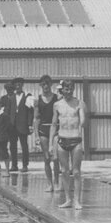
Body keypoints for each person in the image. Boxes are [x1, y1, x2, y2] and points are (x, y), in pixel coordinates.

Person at [51, 80, 87, 209]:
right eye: (66, 89)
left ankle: (77, 200)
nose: (68, 91)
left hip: (75, 139)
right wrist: (51, 144)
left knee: (76, 172)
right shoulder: (57, 105)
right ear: (62, 90)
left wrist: (82, 119)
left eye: (71, 89)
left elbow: (83, 120)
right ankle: (68, 199)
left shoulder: (79, 103)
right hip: (62, 139)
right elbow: (54, 124)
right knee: (64, 171)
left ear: (73, 89)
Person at [32, 75, 60, 190]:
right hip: (43, 129)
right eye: (43, 84)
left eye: (47, 84)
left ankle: (57, 182)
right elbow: (36, 118)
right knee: (47, 158)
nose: (45, 86)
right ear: (40, 86)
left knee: (55, 158)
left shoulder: (57, 98)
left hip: (55, 129)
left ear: (51, 85)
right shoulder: (38, 100)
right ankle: (49, 183)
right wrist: (36, 135)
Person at [5, 78, 34, 172]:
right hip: (12, 125)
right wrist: (8, 123)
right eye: (16, 85)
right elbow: (8, 111)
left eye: (19, 84)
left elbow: (30, 112)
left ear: (22, 85)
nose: (18, 86)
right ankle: (14, 165)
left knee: (24, 145)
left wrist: (30, 124)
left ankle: (25, 165)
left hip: (23, 124)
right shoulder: (11, 97)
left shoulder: (27, 97)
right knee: (12, 146)